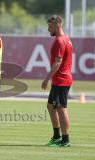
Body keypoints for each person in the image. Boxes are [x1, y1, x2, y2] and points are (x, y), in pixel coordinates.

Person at [42, 15, 73, 147]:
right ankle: (56, 136)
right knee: (50, 106)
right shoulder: (65, 39)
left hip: (61, 80)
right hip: (60, 80)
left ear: (57, 25)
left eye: (50, 26)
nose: (48, 29)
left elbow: (58, 62)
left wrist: (47, 78)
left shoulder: (60, 41)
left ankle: (65, 140)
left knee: (61, 109)